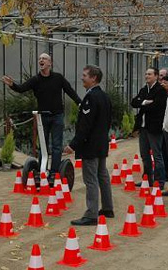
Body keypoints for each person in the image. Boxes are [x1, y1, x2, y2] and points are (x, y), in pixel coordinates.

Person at [2, 53, 82, 178]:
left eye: (44, 58)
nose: (41, 60)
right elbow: (22, 88)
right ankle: (42, 171)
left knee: (56, 145)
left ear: (50, 63)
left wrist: (80, 103)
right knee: (43, 146)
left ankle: (55, 172)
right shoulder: (36, 80)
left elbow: (69, 91)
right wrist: (12, 84)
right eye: (39, 59)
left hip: (57, 116)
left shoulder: (58, 78)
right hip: (42, 117)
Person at [64, 65, 113, 226]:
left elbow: (85, 125)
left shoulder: (90, 98)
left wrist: (73, 145)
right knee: (102, 176)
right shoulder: (105, 96)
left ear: (93, 78)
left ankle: (91, 214)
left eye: (85, 75)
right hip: (101, 144)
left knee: (91, 179)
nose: (82, 77)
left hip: (91, 146)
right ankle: (107, 207)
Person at [131, 67, 167, 189]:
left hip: (154, 127)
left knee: (157, 155)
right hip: (143, 127)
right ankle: (147, 179)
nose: (147, 76)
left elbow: (158, 106)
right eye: (146, 74)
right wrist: (145, 102)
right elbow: (134, 102)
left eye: (150, 74)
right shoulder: (144, 89)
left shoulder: (160, 90)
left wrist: (142, 103)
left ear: (156, 76)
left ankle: (160, 181)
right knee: (144, 154)